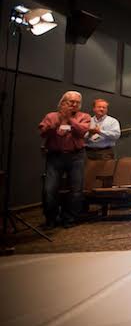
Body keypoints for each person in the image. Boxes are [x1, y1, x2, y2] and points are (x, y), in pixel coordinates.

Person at [39, 91, 91, 228]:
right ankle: (50, 218)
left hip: (76, 156)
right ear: (62, 103)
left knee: (76, 189)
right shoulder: (51, 116)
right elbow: (43, 132)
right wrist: (59, 121)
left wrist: (70, 120)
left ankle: (69, 218)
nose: (74, 105)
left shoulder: (84, 116)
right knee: (50, 189)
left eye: (77, 103)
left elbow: (82, 131)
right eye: (70, 102)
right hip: (55, 156)